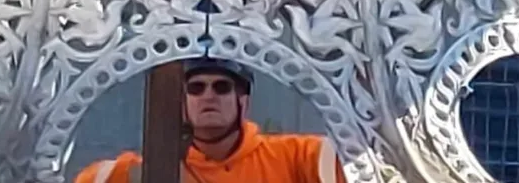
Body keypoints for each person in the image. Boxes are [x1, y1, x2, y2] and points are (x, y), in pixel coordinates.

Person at [74, 58, 345, 183]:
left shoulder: (294, 157)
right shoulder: (148, 169)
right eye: (196, 88)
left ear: (244, 102)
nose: (208, 96)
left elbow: (358, 162)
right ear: (182, 105)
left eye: (222, 87)